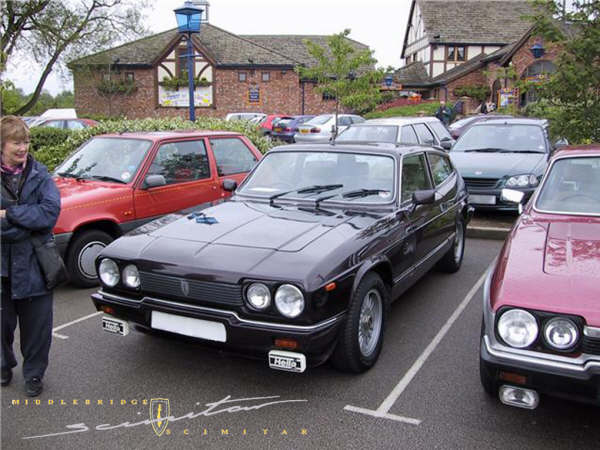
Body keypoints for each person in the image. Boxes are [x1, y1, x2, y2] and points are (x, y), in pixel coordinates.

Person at [1, 115, 61, 397]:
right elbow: (36, 219)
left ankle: (34, 375)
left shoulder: (40, 174)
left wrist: (10, 214)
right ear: (2, 145)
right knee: (1, 327)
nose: (22, 147)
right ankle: (3, 366)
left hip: (36, 268)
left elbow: (49, 213)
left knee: (37, 330)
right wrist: (27, 224)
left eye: (25, 141)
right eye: (16, 142)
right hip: (2, 267)